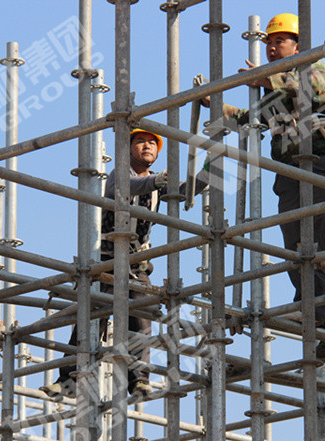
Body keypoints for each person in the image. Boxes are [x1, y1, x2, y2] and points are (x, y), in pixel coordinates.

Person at [202, 13, 325, 351]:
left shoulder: (313, 66)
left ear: (297, 44)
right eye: (270, 43)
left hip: (322, 163)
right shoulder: (272, 85)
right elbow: (252, 119)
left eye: (279, 41)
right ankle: (314, 305)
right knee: (294, 242)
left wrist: (268, 79)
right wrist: (214, 104)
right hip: (289, 172)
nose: (273, 48)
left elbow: (315, 91)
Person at [42, 129, 209, 398]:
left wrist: (208, 172)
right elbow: (126, 188)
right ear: (128, 148)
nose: (147, 147)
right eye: (141, 142)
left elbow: (184, 192)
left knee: (141, 318)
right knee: (89, 319)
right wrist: (157, 181)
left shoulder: (156, 184)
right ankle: (67, 379)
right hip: (105, 262)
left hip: (137, 263)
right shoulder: (119, 176)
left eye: (153, 143)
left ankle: (138, 378)